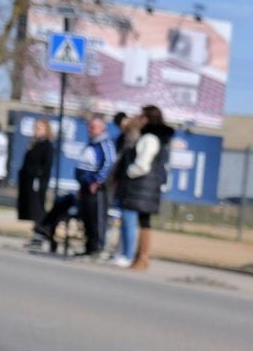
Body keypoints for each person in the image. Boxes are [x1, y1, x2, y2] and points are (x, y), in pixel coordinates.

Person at [30, 116, 115, 255]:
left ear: (102, 128)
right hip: (84, 187)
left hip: (95, 188)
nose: (89, 130)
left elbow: (109, 163)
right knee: (74, 209)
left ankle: (96, 248)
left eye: (93, 127)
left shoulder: (104, 143)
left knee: (95, 218)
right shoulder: (92, 143)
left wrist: (97, 181)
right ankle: (45, 230)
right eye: (89, 127)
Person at [120, 105, 175, 270]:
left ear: (148, 119)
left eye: (141, 116)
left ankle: (141, 257)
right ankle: (141, 257)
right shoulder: (158, 138)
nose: (139, 119)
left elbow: (143, 165)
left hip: (142, 185)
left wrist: (128, 172)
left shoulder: (149, 138)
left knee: (140, 221)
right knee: (144, 221)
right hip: (148, 186)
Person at [109, 112, 140, 268]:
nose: (123, 127)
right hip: (121, 182)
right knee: (121, 219)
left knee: (129, 219)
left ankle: (128, 254)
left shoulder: (136, 138)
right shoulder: (122, 138)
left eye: (124, 123)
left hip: (131, 184)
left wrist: (127, 174)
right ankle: (120, 251)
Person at [16, 119, 54, 224]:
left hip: (37, 180)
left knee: (36, 204)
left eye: (39, 128)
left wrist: (37, 175)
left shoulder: (47, 145)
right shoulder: (34, 143)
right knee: (28, 205)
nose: (36, 130)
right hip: (27, 178)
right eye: (35, 127)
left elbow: (47, 164)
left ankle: (40, 226)